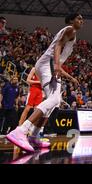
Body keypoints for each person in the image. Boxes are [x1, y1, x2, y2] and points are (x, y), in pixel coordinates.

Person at [6, 14, 82, 153]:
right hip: (49, 64)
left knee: (55, 103)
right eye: (79, 18)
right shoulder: (71, 29)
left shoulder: (70, 32)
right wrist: (57, 65)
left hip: (49, 64)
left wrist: (68, 75)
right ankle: (21, 131)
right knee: (54, 99)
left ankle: (34, 137)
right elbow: (58, 45)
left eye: (82, 19)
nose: (81, 21)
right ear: (71, 20)